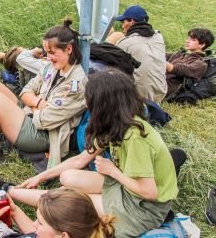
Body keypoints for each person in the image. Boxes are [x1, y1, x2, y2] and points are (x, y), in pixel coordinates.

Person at [57, 69, 178, 237]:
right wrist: (39, 177)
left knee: (72, 205)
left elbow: (149, 193)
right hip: (126, 187)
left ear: (104, 104)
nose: (86, 104)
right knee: (67, 179)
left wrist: (113, 170)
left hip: (143, 206)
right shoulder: (118, 122)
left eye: (89, 99)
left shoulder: (134, 137)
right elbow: (80, 159)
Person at [0, 20, 87, 168]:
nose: (48, 57)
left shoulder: (76, 84)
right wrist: (38, 103)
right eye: (47, 52)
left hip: (43, 135)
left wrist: (32, 104)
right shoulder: (53, 66)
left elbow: (45, 121)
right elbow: (25, 91)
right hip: (31, 112)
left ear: (68, 49)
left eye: (52, 53)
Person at [106, 5, 167, 103]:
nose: (122, 26)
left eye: (123, 22)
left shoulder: (125, 43)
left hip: (137, 98)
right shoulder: (159, 37)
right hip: (160, 94)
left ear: (132, 22)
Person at [165, 27, 214, 97]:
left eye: (193, 40)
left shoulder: (201, 63)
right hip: (158, 80)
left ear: (202, 45)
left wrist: (161, 61)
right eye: (188, 38)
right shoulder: (181, 54)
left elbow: (179, 69)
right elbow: (162, 54)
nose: (187, 41)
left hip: (166, 88)